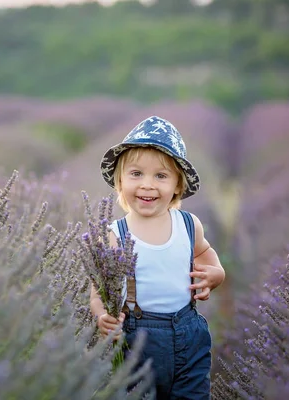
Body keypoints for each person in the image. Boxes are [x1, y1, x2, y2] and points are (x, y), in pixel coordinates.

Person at [89, 115, 225, 399]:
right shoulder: (114, 234)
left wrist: (216, 274)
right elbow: (98, 289)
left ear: (177, 185)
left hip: (188, 334)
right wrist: (102, 316)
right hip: (136, 339)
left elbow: (206, 253)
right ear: (120, 182)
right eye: (136, 174)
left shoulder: (189, 225)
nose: (147, 185)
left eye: (160, 176)